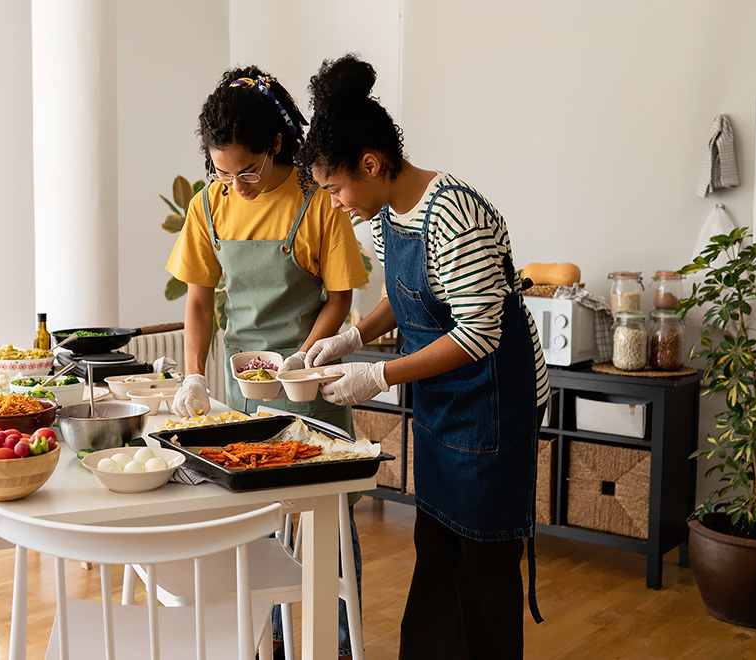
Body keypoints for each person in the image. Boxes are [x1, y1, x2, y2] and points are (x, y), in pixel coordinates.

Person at [296, 54, 550, 659]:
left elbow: (477, 335)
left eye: (335, 187)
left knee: (484, 563)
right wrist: (355, 336)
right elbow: (402, 295)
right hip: (445, 409)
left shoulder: (454, 212)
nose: (334, 203)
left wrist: (378, 374)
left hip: (492, 411)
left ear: (372, 163)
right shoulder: (387, 211)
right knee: (437, 549)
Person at [166, 66, 369, 659]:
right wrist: (196, 374)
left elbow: (339, 298)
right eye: (223, 171)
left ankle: (338, 644)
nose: (238, 184)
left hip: (309, 384)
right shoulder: (209, 206)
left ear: (275, 144)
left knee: (329, 520)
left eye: (247, 170)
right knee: (256, 525)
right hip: (242, 390)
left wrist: (306, 356)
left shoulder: (317, 202)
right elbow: (200, 299)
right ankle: (271, 647)